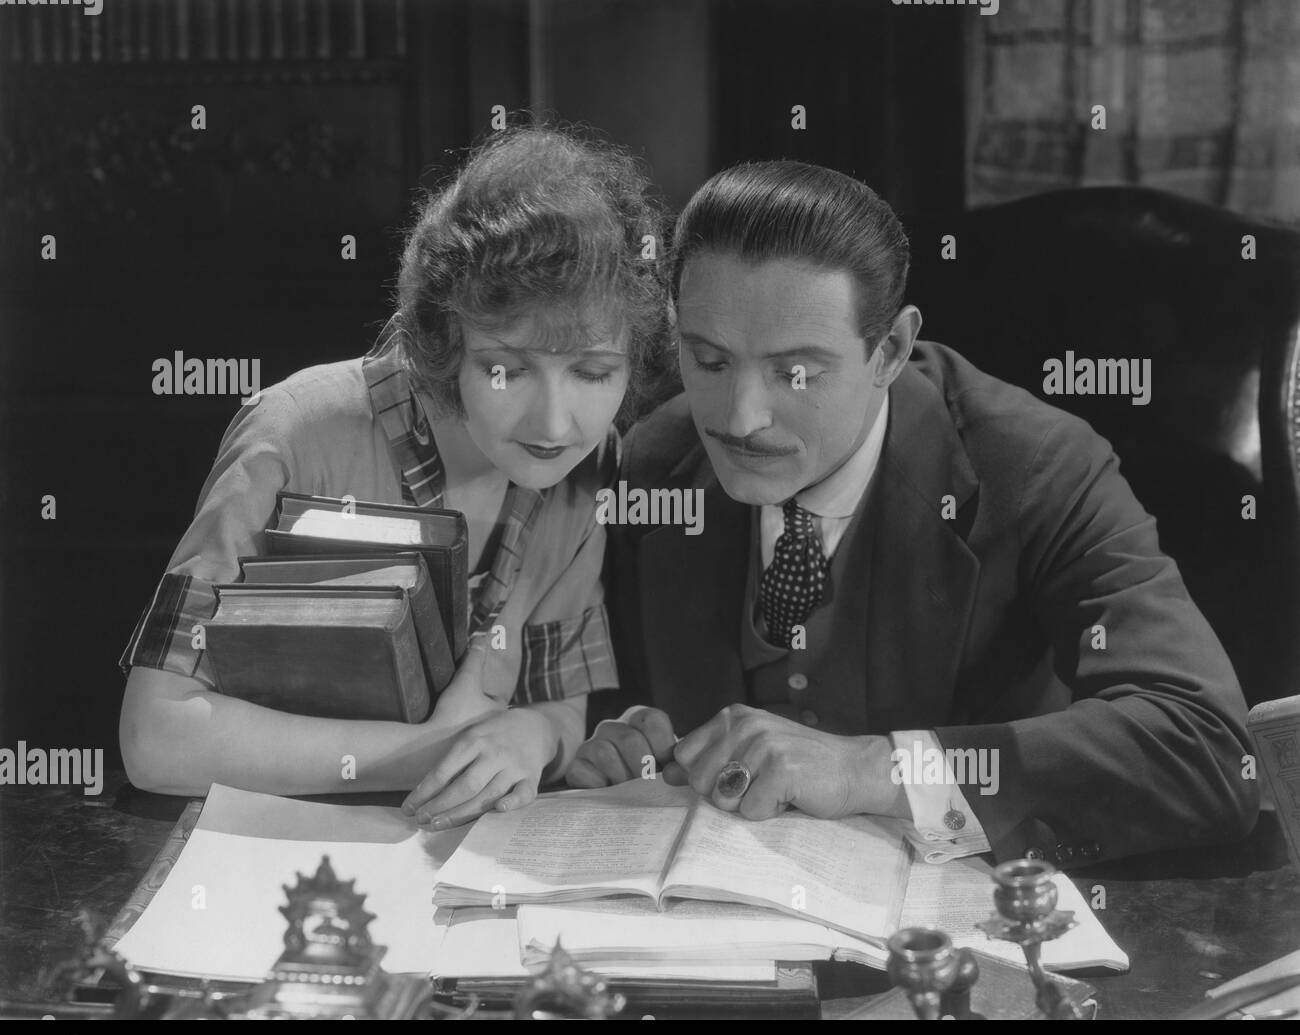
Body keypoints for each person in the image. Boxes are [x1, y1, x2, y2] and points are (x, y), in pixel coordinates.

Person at [568, 160, 1258, 867]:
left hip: (972, 923)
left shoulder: (1038, 466)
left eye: (795, 372)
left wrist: (876, 768)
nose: (742, 419)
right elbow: (608, 696)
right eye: (710, 361)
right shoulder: (652, 461)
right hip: (726, 923)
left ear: (890, 350)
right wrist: (620, 740)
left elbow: (1205, 747)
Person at [118, 126, 670, 828]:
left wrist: (534, 736)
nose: (556, 421)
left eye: (593, 372)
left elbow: (556, 700)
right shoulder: (294, 430)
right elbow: (155, 736)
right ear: (447, 338)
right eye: (508, 368)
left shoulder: (587, 468)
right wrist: (431, 751)